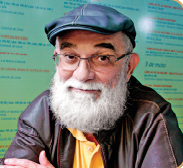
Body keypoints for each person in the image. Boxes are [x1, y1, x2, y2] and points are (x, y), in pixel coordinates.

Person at [0, 4, 183, 168]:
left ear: (129, 67)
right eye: (70, 56)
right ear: (57, 60)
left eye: (102, 58)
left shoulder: (152, 119)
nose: (82, 75)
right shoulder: (41, 111)